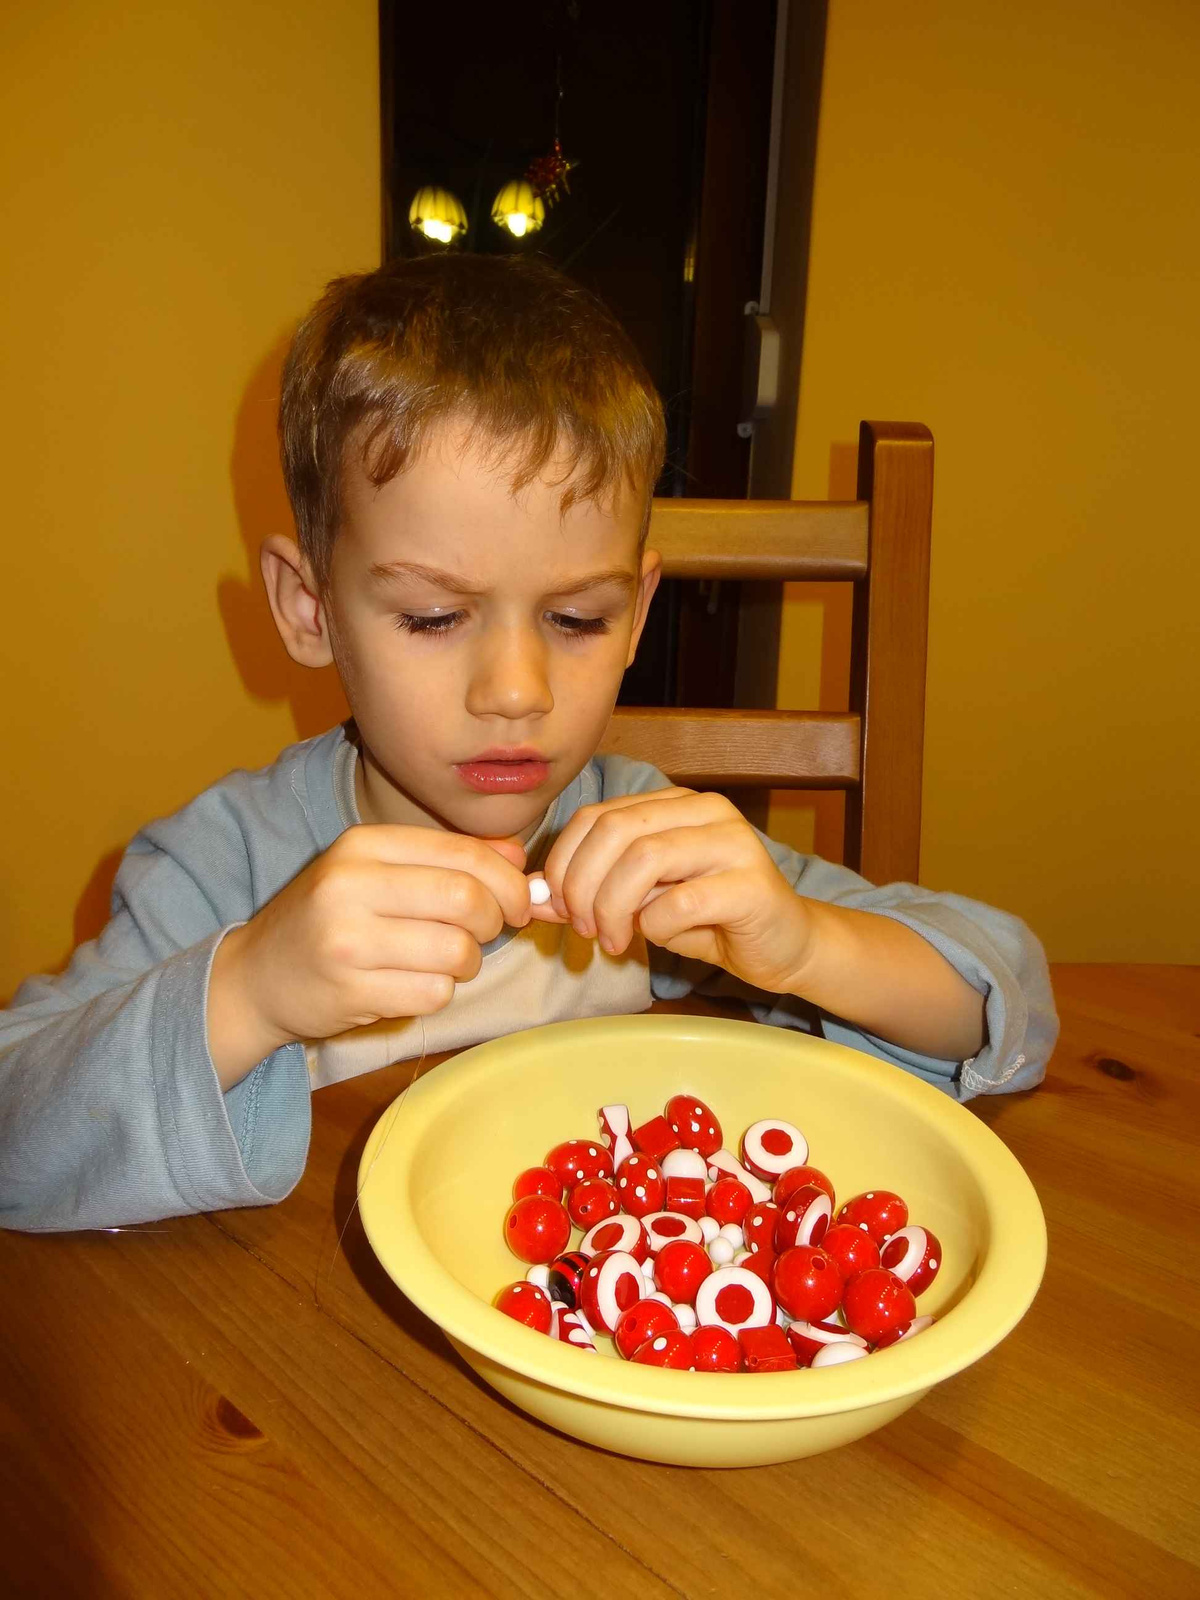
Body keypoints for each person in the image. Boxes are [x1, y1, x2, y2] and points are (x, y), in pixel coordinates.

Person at [0, 254, 1057, 1232]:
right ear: (309, 607)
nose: (516, 692)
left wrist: (804, 944)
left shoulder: (636, 831)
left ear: (638, 613)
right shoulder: (221, 866)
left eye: (577, 619)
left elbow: (1001, 996)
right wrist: (248, 989)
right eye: (430, 617)